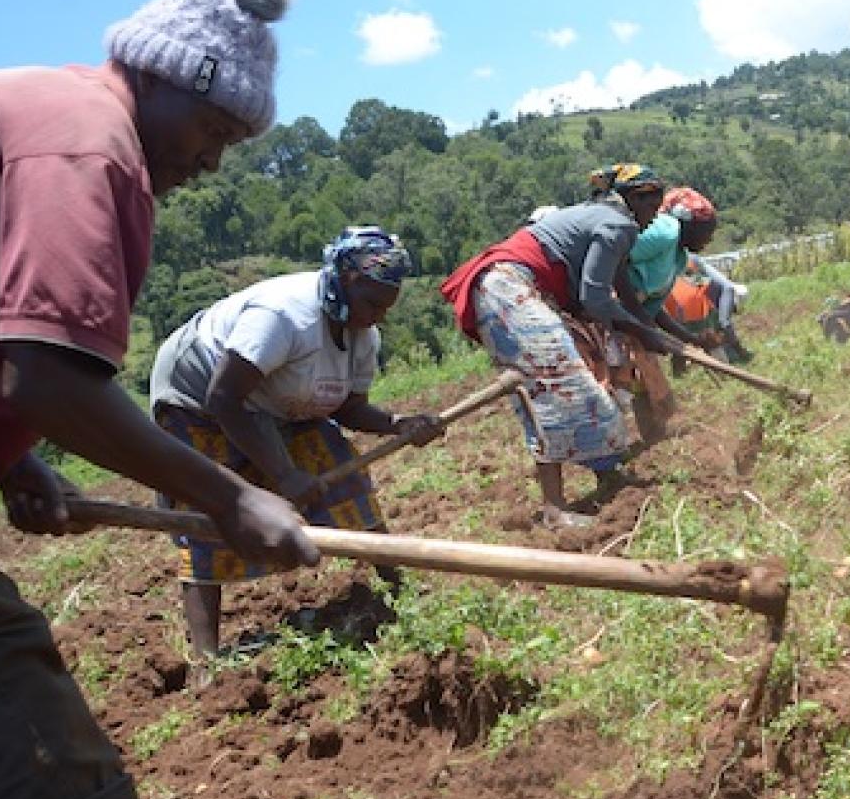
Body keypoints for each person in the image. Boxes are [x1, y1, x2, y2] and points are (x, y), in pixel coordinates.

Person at [0, 0, 313, 799]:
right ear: (159, 80)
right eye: (212, 131)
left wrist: (9, 457)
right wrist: (230, 495)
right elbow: (46, 372)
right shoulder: (90, 142)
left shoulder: (40, 116)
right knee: (49, 758)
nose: (211, 162)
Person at [149, 227, 440, 659]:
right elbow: (224, 398)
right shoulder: (283, 316)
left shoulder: (363, 334)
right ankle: (205, 658)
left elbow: (346, 408)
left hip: (278, 401)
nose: (377, 316)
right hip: (199, 400)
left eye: (385, 308)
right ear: (346, 279)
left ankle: (400, 594)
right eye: (372, 304)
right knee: (212, 515)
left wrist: (399, 425)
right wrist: (283, 474)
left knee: (347, 480)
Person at [440, 164, 673, 529]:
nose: (653, 219)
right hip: (508, 290)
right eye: (652, 208)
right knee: (553, 387)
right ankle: (554, 508)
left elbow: (613, 289)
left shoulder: (605, 219)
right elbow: (595, 297)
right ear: (633, 200)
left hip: (511, 289)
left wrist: (646, 328)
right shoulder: (618, 225)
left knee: (583, 387)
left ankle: (609, 476)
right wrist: (642, 332)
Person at [618, 187, 724, 437]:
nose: (709, 238)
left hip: (628, 317)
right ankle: (608, 454)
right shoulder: (666, 231)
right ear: (689, 225)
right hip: (604, 308)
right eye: (707, 230)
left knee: (644, 375)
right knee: (618, 381)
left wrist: (691, 339)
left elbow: (654, 311)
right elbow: (614, 257)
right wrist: (635, 314)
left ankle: (653, 439)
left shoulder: (677, 258)